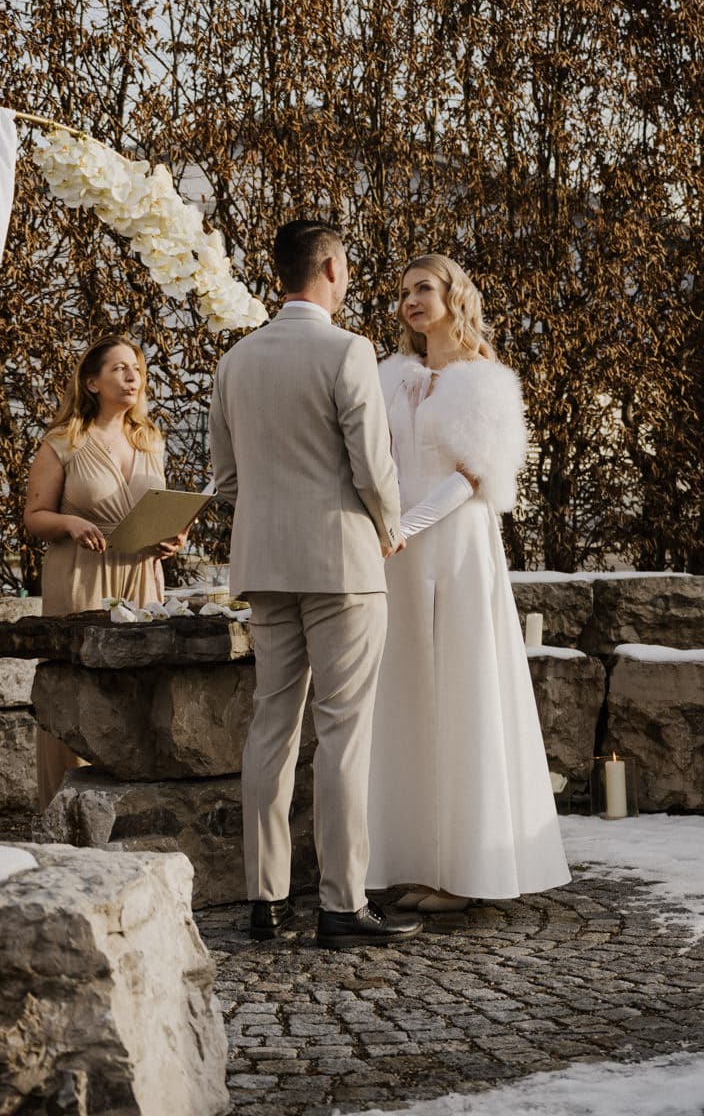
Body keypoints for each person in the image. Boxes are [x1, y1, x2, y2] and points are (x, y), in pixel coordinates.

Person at [209, 218, 425, 950]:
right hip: (342, 565)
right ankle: (340, 902)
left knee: (272, 725)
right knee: (342, 733)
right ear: (330, 267)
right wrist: (390, 524)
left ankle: (264, 899)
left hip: (265, 565)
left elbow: (229, 479)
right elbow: (371, 464)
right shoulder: (348, 350)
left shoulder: (235, 360)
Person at [365, 252, 570, 910]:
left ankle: (464, 872)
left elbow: (474, 475)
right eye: (402, 292)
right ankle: (409, 858)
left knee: (457, 691)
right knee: (407, 699)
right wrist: (378, 524)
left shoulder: (485, 379)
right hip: (395, 553)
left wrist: (407, 527)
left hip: (452, 546)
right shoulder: (387, 377)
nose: (410, 300)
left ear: (455, 296)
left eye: (423, 288)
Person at [24, 334, 187, 807]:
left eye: (135, 366)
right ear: (92, 382)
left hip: (142, 577)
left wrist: (174, 537)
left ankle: (132, 807)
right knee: (77, 691)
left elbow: (156, 509)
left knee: (142, 688)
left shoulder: (150, 438)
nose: (131, 375)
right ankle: (62, 808)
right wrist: (71, 522)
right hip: (81, 575)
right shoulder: (64, 442)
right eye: (118, 368)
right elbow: (34, 517)